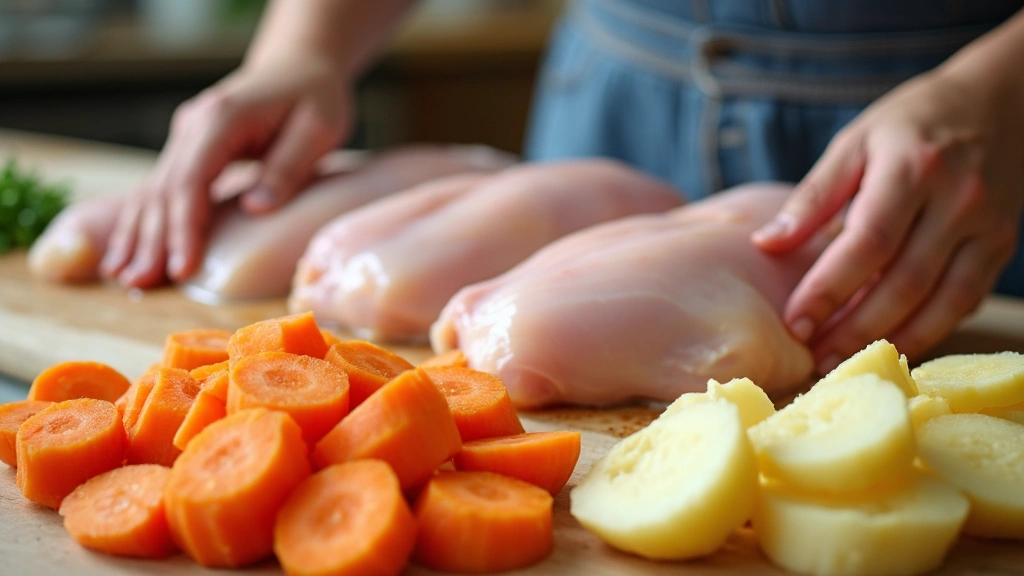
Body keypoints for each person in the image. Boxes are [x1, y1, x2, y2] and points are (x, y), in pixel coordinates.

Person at [99, 0, 1024, 374]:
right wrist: (304, 46)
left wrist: (1002, 91)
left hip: (966, 136)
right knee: (530, 335)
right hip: (623, 85)